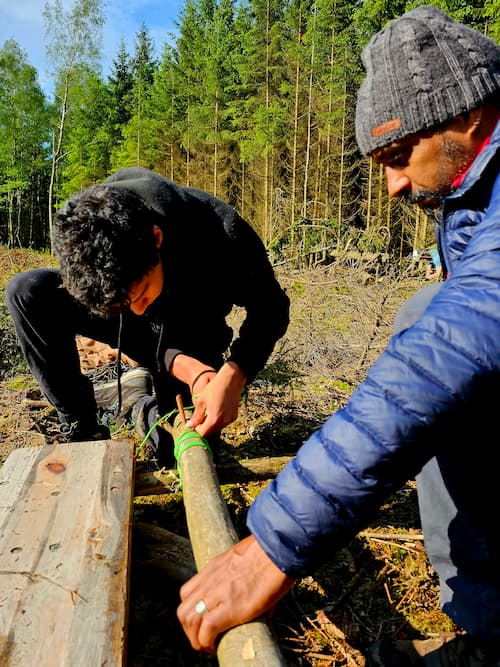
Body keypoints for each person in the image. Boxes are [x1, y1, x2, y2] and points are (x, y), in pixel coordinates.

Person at [177, 6, 500, 665]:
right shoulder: (474, 193)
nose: (392, 183)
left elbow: (434, 367)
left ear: (468, 114)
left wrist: (271, 544)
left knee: (425, 326)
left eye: (399, 154)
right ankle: (485, 623)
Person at [5, 167, 290, 467]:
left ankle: (137, 406)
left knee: (181, 452)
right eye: (126, 302)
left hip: (189, 331)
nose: (138, 308)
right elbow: (127, 309)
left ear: (156, 238)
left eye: (141, 294)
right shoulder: (90, 234)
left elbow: (271, 308)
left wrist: (232, 375)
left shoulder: (221, 236)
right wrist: (124, 306)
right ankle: (81, 428)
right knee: (27, 290)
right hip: (132, 327)